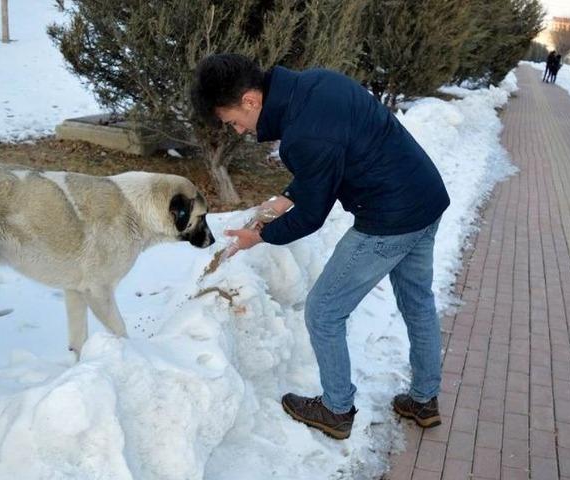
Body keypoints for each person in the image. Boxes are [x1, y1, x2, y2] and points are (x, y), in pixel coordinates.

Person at [190, 54, 450, 440]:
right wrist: (286, 196)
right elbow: (328, 160)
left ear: (249, 100)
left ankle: (336, 409)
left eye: (232, 121)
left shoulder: (301, 135)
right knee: (417, 303)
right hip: (425, 197)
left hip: (389, 218)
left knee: (324, 312)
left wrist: (259, 236)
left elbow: (312, 215)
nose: (239, 130)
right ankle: (424, 399)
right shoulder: (315, 84)